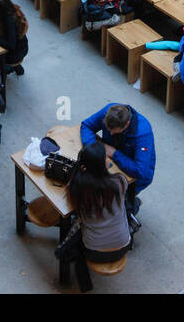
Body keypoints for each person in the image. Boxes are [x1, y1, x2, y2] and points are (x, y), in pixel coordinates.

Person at [58, 141, 132, 291]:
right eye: (105, 157)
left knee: (74, 237)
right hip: (124, 245)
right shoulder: (120, 182)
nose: (108, 159)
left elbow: (70, 198)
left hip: (94, 251)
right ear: (102, 164)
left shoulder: (77, 188)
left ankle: (81, 283)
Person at [80, 103, 155, 210]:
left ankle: (131, 206)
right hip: (112, 161)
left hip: (136, 177)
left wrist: (115, 153)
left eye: (113, 131)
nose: (109, 133)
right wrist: (95, 151)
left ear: (127, 124)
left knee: (113, 206)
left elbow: (140, 171)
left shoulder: (143, 134)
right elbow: (86, 125)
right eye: (107, 129)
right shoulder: (108, 111)